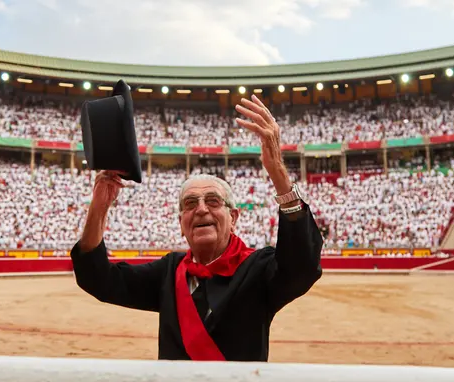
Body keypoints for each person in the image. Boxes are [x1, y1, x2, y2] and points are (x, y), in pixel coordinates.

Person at [70, 95, 323, 361]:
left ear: (233, 217)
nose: (201, 209)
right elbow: (97, 279)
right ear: (181, 223)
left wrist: (278, 173)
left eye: (213, 201)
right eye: (190, 204)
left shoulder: (258, 269)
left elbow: (302, 267)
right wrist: (99, 204)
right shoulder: (168, 272)